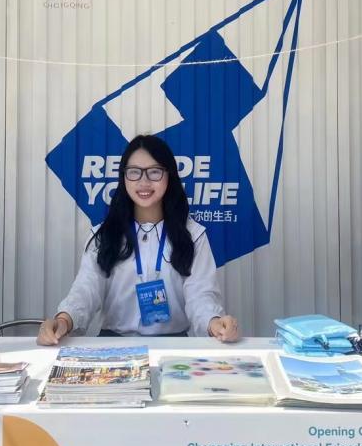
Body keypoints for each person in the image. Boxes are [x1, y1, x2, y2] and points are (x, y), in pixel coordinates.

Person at [37, 134, 239, 344]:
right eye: (134, 172)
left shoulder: (193, 235)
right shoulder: (105, 235)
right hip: (113, 346)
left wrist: (214, 322)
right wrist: (64, 320)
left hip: (174, 346)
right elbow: (86, 288)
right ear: (124, 177)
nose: (144, 182)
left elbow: (200, 294)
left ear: (169, 176)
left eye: (154, 172)